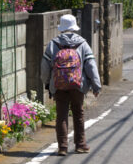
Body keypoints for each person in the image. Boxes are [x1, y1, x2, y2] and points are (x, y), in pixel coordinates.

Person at [40, 14, 101, 156]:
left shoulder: (53, 44)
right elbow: (91, 66)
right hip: (78, 85)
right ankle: (80, 145)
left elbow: (44, 67)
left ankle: (62, 147)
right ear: (74, 27)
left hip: (59, 85)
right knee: (78, 113)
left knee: (61, 115)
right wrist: (96, 86)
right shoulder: (82, 43)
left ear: (61, 27)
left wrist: (48, 83)